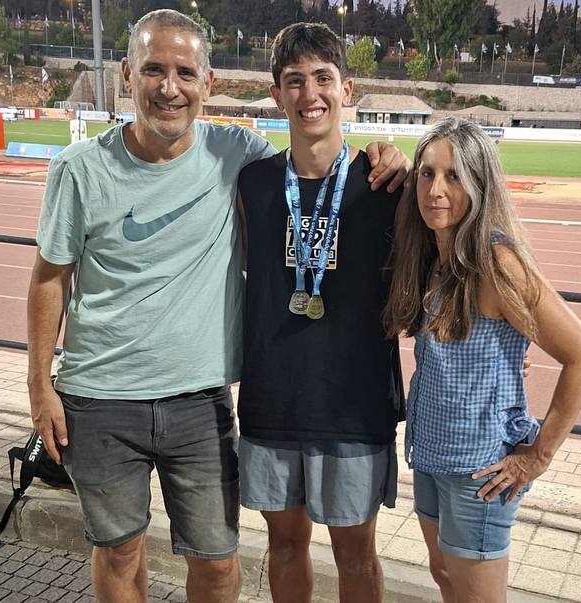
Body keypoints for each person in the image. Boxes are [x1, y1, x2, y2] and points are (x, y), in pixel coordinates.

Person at [26, 10, 408, 603]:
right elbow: (49, 278)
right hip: (153, 400)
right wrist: (38, 386)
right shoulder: (235, 174)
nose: (169, 87)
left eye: (184, 72)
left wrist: (390, 155)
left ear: (206, 83)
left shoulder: (290, 168)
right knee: (127, 551)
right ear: (127, 74)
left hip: (252, 406)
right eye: (153, 70)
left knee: (254, 562)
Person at [383, 117, 581, 602]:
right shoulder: (432, 256)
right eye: (427, 173)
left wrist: (537, 457)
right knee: (444, 577)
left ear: (480, 185)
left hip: (479, 472)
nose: (435, 190)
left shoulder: (496, 262)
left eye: (454, 176)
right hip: (431, 454)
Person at [235, 22, 403, 603]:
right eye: (294, 81)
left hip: (353, 404)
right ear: (276, 95)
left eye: (323, 78)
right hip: (273, 400)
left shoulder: (385, 185)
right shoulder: (252, 184)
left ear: (347, 89)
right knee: (283, 548)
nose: (310, 94)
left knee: (356, 556)